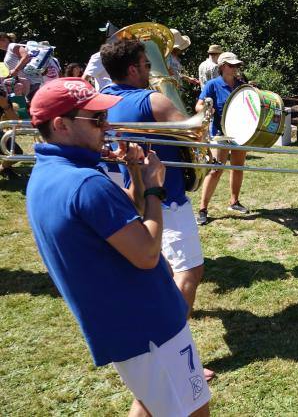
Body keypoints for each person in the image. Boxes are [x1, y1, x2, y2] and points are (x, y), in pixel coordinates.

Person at [25, 77, 211, 416]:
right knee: (195, 408)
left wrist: (136, 175)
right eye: (96, 120)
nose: (107, 126)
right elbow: (147, 253)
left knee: (150, 404)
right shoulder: (87, 183)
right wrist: (155, 188)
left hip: (125, 323)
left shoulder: (51, 174)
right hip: (148, 323)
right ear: (60, 125)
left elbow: (118, 218)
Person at [100, 39, 214, 381]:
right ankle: (175, 356)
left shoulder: (103, 99)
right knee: (190, 273)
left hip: (129, 195)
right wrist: (202, 109)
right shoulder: (154, 100)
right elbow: (196, 133)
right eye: (147, 66)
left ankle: (157, 344)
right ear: (134, 69)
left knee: (160, 273)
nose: (152, 71)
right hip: (167, 198)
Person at [196, 52, 248, 225]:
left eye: (236, 65)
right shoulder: (212, 85)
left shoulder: (242, 85)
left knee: (238, 167)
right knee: (216, 170)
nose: (235, 68)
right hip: (220, 133)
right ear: (223, 67)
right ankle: (203, 209)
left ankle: (234, 202)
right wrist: (207, 109)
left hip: (240, 133)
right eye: (232, 65)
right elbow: (199, 106)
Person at [1, 32, 35, 99]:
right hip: (24, 83)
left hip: (31, 82)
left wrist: (16, 70)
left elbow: (26, 56)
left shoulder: (12, 45)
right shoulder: (8, 50)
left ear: (3, 39)